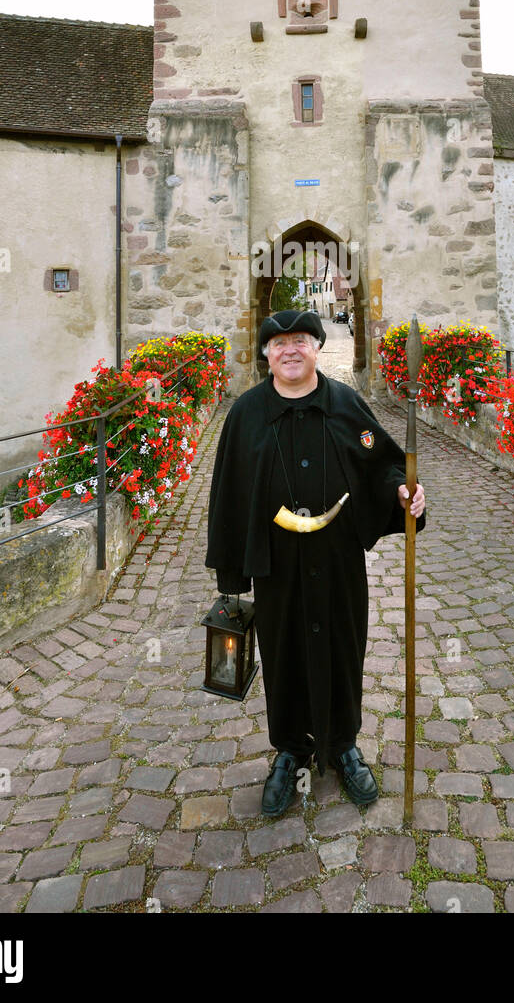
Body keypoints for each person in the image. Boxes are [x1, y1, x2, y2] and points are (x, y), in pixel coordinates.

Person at [206, 308, 425, 817]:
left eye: (301, 340)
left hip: (338, 556)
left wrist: (403, 491)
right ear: (266, 354)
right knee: (283, 656)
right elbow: (228, 494)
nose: (290, 350)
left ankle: (344, 745)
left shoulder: (346, 405)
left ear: (317, 347)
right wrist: (232, 577)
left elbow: (383, 462)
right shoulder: (246, 414)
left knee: (345, 648)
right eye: (279, 343)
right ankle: (290, 751)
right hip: (276, 564)